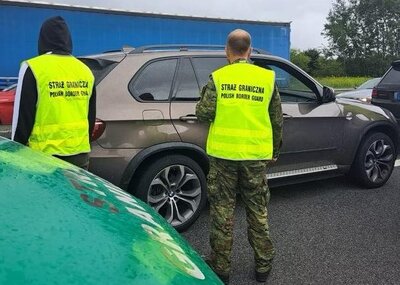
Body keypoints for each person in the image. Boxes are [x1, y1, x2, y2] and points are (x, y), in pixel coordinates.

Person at [195, 29, 283, 284]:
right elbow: (277, 119)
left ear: (227, 50)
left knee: (222, 211)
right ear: (250, 50)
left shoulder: (219, 78)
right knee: (258, 210)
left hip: (223, 157)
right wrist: (274, 151)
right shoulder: (267, 78)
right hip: (255, 157)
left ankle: (221, 267)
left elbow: (204, 113)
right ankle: (263, 266)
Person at [12, 16, 96, 169]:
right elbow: (90, 117)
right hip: (79, 154)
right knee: (75, 194)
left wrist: (15, 152)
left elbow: (22, 118)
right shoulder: (85, 70)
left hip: (42, 157)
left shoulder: (33, 67)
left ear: (43, 39)